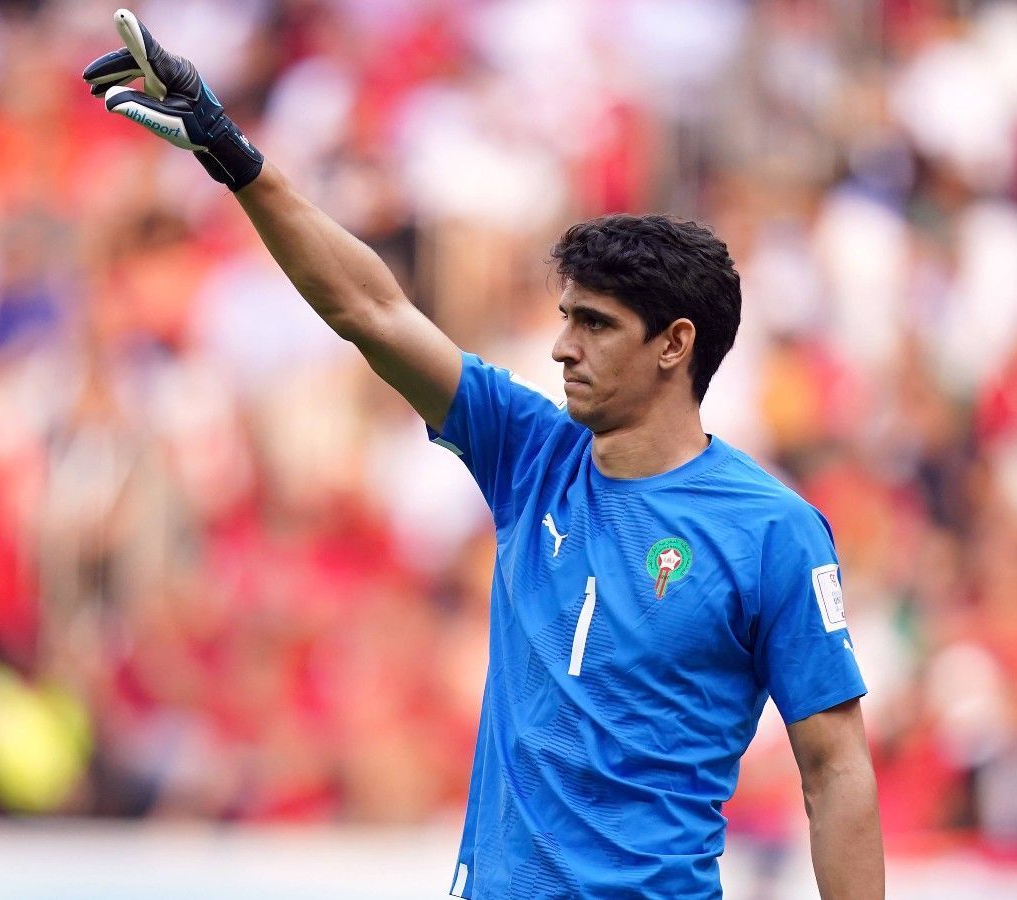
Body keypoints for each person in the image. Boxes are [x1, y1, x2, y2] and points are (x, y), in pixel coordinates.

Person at [83, 10, 883, 898]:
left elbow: (835, 770)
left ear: (674, 344)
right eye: (564, 318)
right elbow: (370, 310)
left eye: (595, 325)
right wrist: (233, 157)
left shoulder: (771, 531)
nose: (561, 348)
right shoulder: (527, 453)